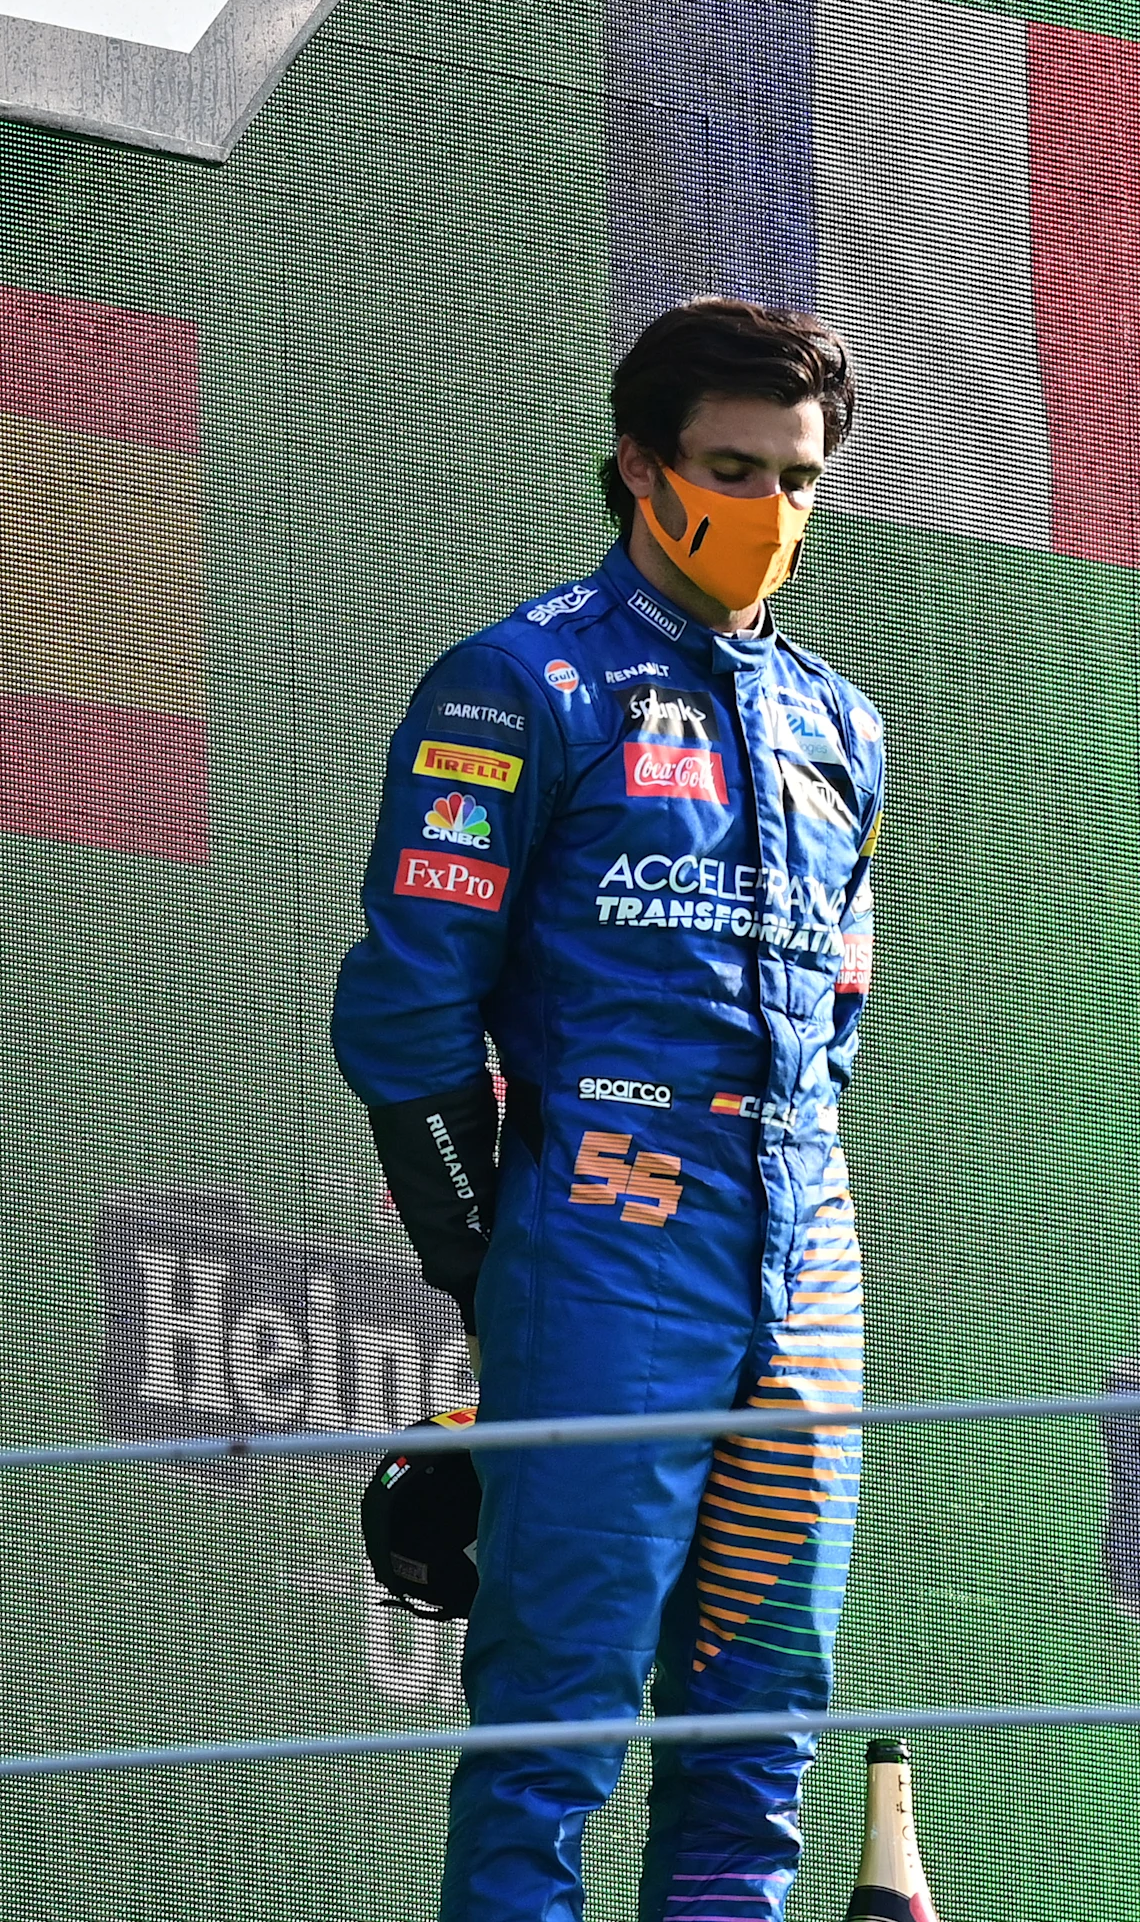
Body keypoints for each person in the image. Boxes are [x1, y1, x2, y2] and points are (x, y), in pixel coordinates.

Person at [331, 299, 885, 1922]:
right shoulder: (518, 680)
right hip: (601, 1236)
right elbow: (407, 1009)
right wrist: (487, 1255)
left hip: (810, 1247)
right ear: (639, 470)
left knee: (757, 1738)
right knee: (553, 1736)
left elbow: (838, 1019)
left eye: (800, 477)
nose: (771, 511)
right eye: (732, 468)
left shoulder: (841, 722)